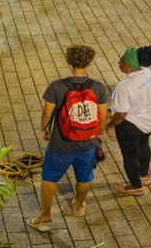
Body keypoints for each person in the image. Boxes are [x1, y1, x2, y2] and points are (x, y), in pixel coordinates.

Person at [30, 44, 110, 231]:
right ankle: (78, 206)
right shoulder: (98, 88)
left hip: (60, 143)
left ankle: (45, 214)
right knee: (85, 176)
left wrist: (43, 129)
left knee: (49, 177)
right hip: (87, 143)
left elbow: (47, 114)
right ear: (89, 61)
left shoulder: (56, 86)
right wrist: (99, 134)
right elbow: (103, 117)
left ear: (68, 61)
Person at [107, 45, 151, 195]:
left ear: (130, 65)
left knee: (130, 155)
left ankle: (136, 186)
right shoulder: (150, 74)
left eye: (122, 60)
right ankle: (144, 175)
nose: (119, 62)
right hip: (150, 120)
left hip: (130, 126)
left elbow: (120, 114)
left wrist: (109, 126)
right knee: (144, 144)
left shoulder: (124, 87)